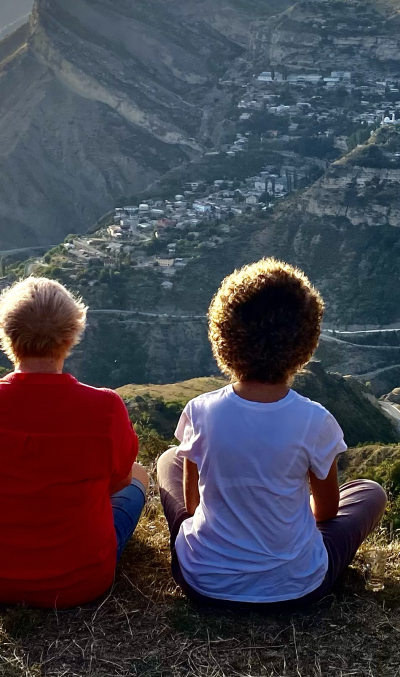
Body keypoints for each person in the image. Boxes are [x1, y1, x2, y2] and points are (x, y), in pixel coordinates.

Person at [156, 258, 386, 609]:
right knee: (370, 493)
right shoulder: (315, 420)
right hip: (297, 588)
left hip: (202, 582)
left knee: (170, 459)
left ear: (223, 335)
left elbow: (192, 505)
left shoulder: (200, 412)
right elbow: (325, 513)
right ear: (306, 341)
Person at [0, 277, 148, 607]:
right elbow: (119, 481)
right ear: (71, 334)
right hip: (81, 582)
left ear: (6, 333)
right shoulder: (105, 408)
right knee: (140, 474)